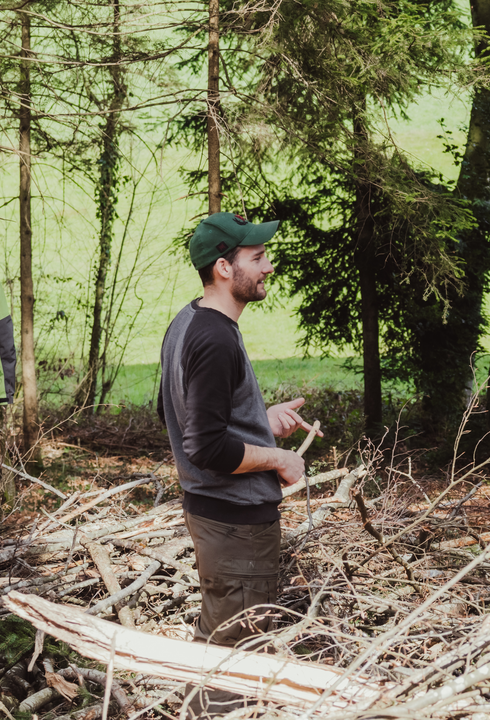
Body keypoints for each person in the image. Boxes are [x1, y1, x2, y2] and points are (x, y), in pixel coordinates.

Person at [157, 212, 320, 716]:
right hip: (234, 524)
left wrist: (258, 418)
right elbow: (205, 447)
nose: (268, 267)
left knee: (220, 641)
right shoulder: (216, 339)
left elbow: (187, 411)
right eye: (257, 258)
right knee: (235, 658)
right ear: (224, 268)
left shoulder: (189, 320)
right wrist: (279, 458)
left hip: (216, 516)